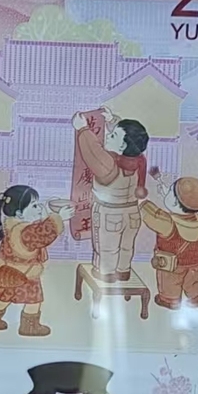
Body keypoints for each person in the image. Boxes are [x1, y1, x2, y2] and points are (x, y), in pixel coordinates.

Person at [0, 185, 73, 337]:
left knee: (4, 296)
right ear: (19, 213)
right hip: (25, 274)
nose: (39, 208)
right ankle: (29, 327)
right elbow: (42, 235)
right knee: (33, 300)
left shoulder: (13, 224)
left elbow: (37, 228)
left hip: (8, 271)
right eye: (34, 206)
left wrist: (47, 214)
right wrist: (58, 218)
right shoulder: (24, 231)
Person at [72, 107, 149, 282]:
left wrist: (82, 130)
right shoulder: (138, 159)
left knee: (107, 246)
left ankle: (105, 273)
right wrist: (112, 120)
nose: (108, 136)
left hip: (110, 213)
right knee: (126, 246)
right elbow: (129, 137)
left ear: (122, 146)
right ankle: (123, 271)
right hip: (132, 212)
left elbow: (93, 151)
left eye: (113, 135)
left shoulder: (110, 162)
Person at [141, 171, 198, 309]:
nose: (166, 192)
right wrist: (165, 192)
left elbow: (152, 216)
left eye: (169, 191)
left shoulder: (169, 223)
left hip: (173, 265)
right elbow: (178, 204)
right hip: (196, 263)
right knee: (194, 281)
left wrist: (142, 205)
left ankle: (169, 300)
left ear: (174, 202)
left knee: (170, 282)